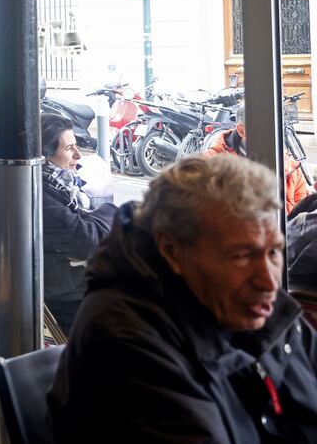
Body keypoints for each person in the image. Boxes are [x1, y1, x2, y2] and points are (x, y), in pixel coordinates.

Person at [50, 155, 317, 442]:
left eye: (274, 252)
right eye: (240, 256)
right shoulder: (123, 340)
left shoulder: (244, 301)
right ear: (173, 251)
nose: (268, 281)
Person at [40, 114, 117, 334]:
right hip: (70, 294)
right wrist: (109, 212)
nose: (78, 155)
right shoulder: (42, 195)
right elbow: (89, 240)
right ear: (45, 155)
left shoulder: (60, 184)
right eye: (69, 148)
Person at [203, 102, 310, 213]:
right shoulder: (211, 164)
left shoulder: (289, 166)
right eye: (266, 129)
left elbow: (300, 215)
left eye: (277, 128)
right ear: (242, 130)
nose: (275, 135)